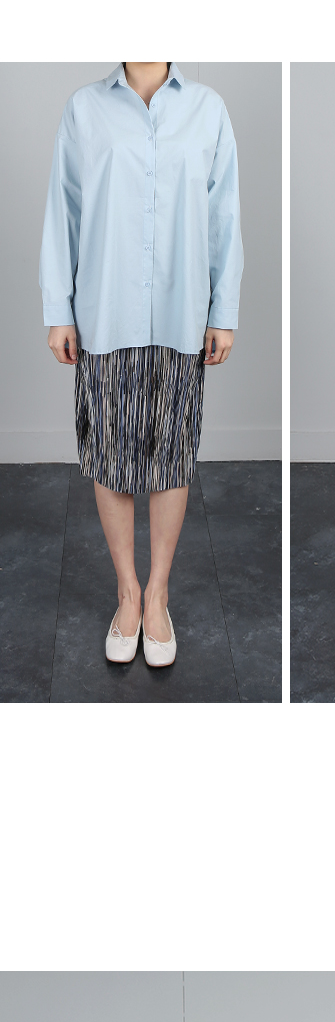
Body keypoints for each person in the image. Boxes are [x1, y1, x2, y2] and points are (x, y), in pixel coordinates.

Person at [39, 59, 243, 670]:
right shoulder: (84, 109)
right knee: (110, 453)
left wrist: (223, 309)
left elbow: (224, 215)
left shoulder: (208, 109)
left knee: (172, 453)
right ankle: (127, 593)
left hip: (182, 312)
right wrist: (58, 309)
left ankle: (158, 596)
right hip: (105, 312)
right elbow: (64, 210)